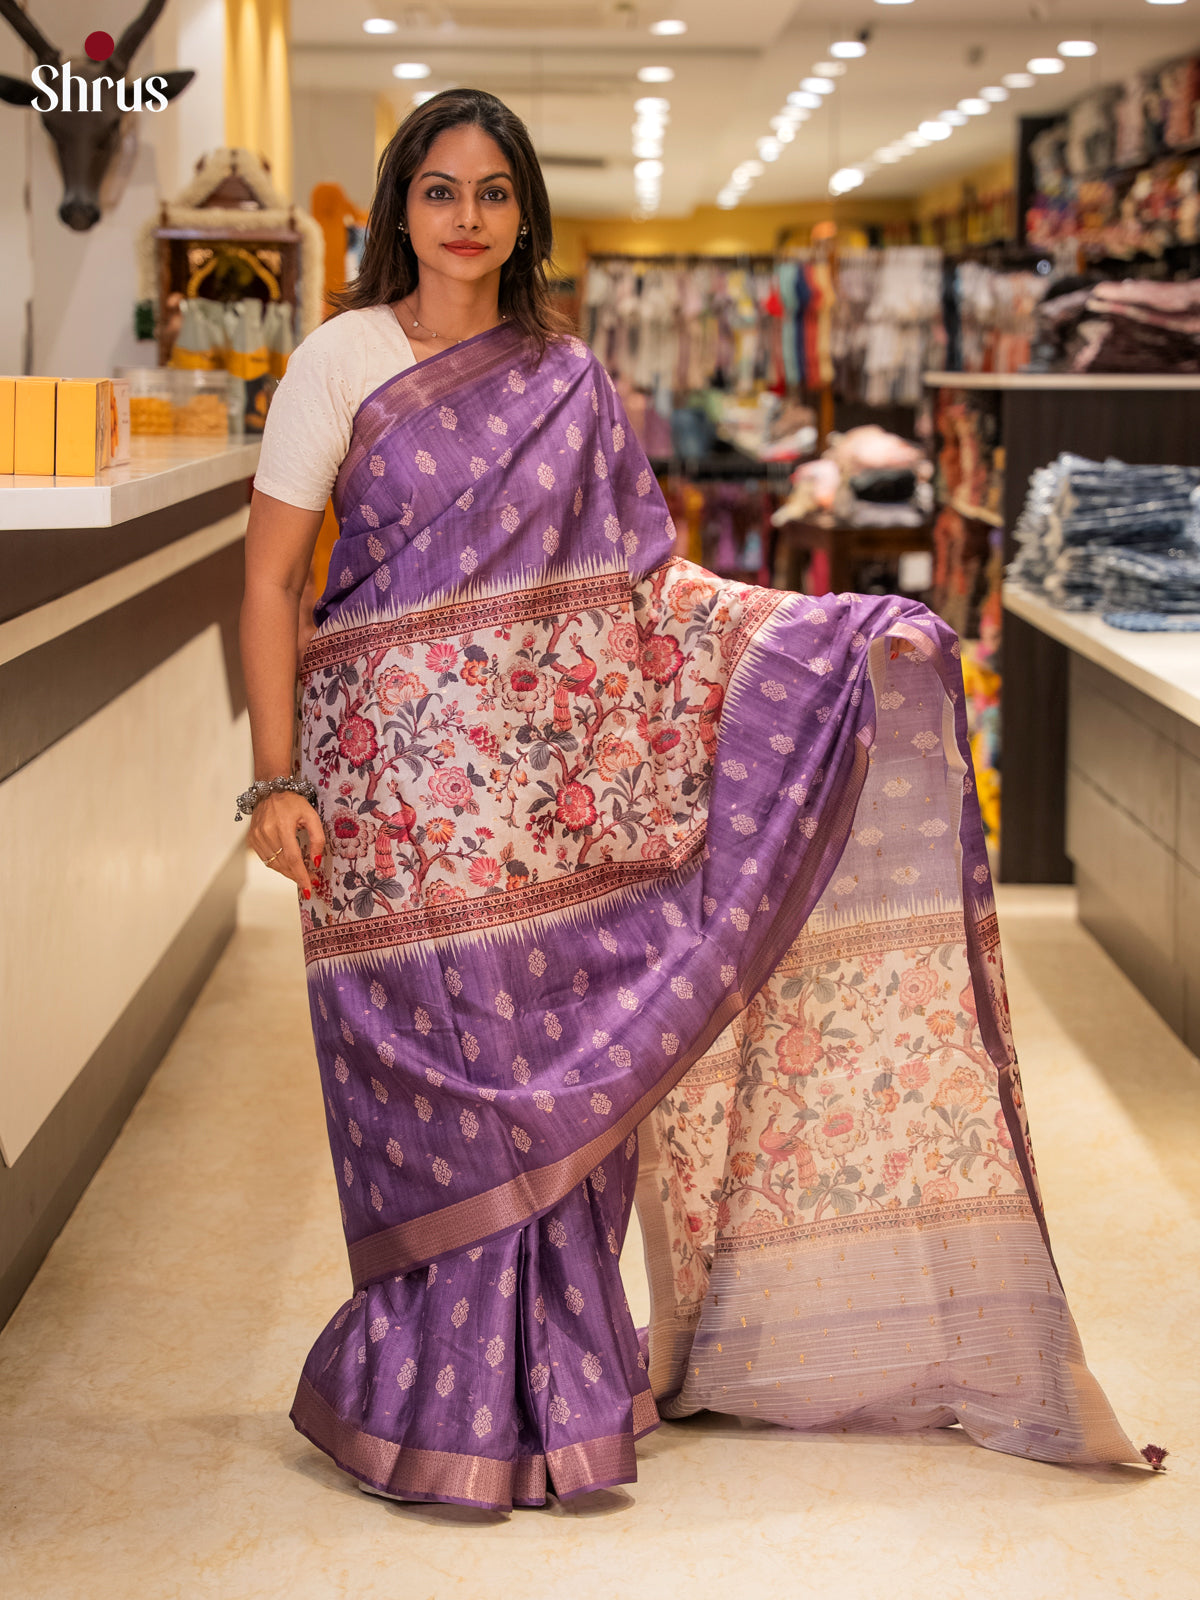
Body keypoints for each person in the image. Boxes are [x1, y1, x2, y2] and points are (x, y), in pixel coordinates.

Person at [239, 89, 1154, 1513]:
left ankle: (554, 1405)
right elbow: (269, 580)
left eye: (491, 192)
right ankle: (423, 1392)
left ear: (525, 212)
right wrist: (275, 772)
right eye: (438, 190)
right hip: (384, 797)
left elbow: (642, 597)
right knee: (426, 1093)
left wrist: (831, 641)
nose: (466, 218)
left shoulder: (570, 377)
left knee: (553, 1085)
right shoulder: (340, 359)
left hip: (547, 794)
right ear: (398, 208)